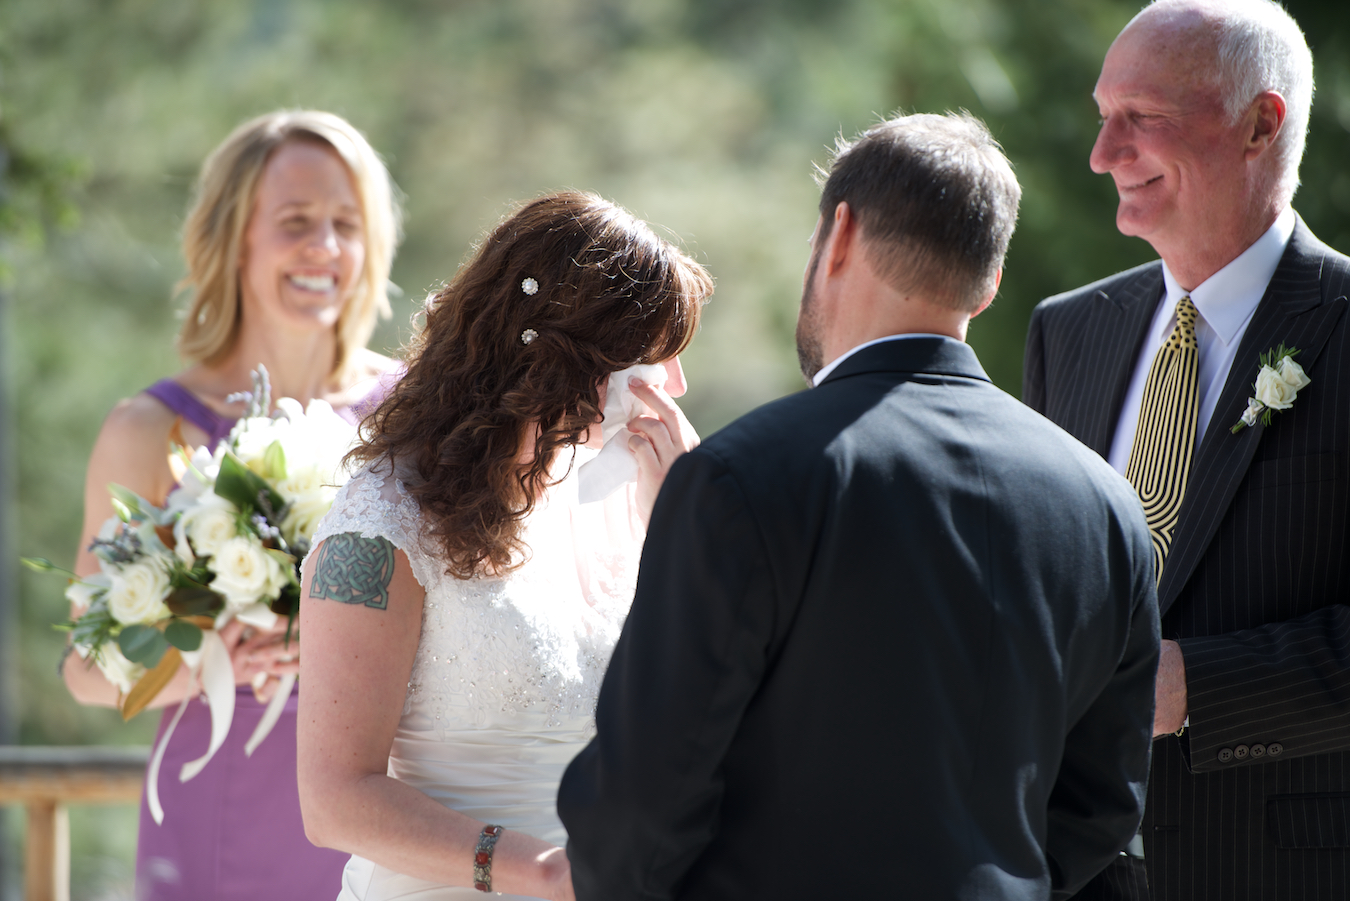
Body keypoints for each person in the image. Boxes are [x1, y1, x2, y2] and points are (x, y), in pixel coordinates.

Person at [557, 112, 1161, 900]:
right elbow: (1103, 801)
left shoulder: (743, 477)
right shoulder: (1108, 509)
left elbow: (638, 799)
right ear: (989, 282)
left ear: (838, 235)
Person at [295, 190, 713, 901]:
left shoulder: (628, 492)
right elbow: (334, 799)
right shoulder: (383, 518)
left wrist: (687, 533)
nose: (675, 383)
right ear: (566, 354)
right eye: (655, 354)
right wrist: (541, 870)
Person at [1022, 1, 1350, 898]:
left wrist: (1196, 685)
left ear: (1260, 123)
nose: (1103, 154)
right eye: (1102, 118)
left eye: (1144, 119)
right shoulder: (1069, 332)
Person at [64, 109, 403, 900]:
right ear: (234, 236)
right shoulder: (150, 430)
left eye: (345, 224)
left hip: (384, 811)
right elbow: (84, 669)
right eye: (295, 221)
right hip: (215, 818)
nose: (325, 247)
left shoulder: (416, 414)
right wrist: (213, 656)